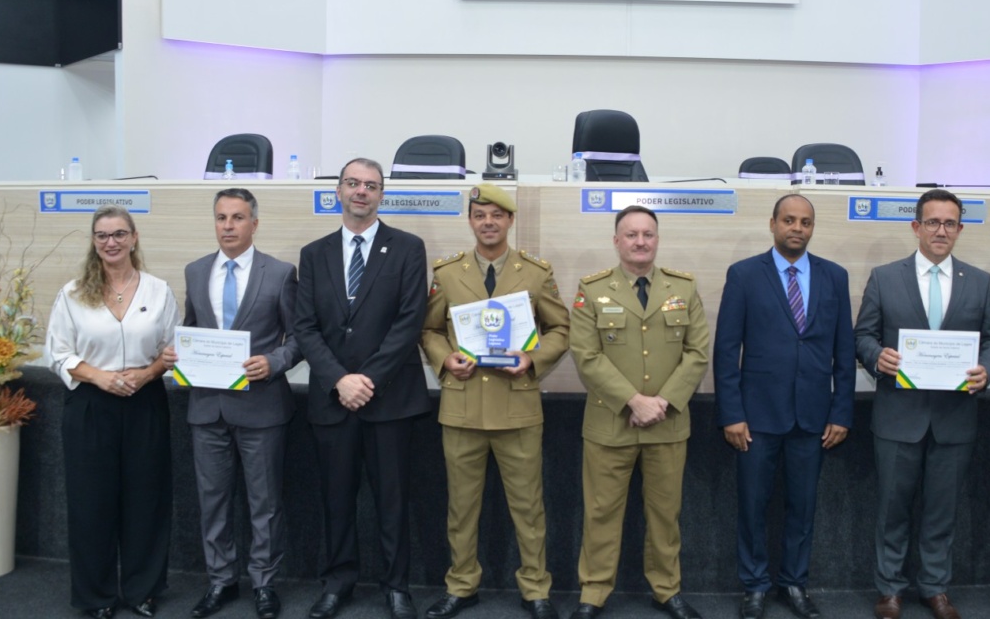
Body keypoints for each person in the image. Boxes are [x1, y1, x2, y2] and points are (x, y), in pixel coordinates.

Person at [420, 184, 570, 619]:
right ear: (470, 220)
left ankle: (535, 589)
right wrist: (445, 359)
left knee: (528, 506)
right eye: (480, 214)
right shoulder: (447, 273)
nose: (488, 222)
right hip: (463, 406)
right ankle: (462, 585)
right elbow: (429, 330)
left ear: (510, 221)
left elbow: (561, 330)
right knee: (461, 508)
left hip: (517, 406)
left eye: (497, 215)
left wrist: (532, 357)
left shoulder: (535, 273)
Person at [853, 189, 990, 619]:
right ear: (916, 227)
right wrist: (875, 355)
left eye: (950, 223)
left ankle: (935, 588)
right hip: (899, 416)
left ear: (960, 229)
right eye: (933, 222)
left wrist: (987, 370)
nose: (942, 230)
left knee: (942, 510)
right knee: (891, 509)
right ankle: (890, 590)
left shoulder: (979, 281)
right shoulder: (885, 277)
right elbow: (862, 335)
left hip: (954, 419)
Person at [295, 158, 432, 619]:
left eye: (371, 186)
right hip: (333, 401)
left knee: (393, 500)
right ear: (338, 190)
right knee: (336, 498)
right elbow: (305, 327)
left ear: (381, 195)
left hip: (389, 399)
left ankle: (397, 587)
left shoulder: (409, 248)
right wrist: (339, 380)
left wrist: (366, 380)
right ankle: (338, 583)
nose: (361, 192)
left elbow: (410, 321)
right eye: (353, 183)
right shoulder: (314, 254)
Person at [713, 193, 855, 619]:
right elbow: (726, 350)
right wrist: (732, 414)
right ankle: (755, 585)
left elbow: (843, 352)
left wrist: (841, 412)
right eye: (789, 220)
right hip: (756, 417)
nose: (797, 228)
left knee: (803, 505)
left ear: (813, 228)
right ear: (772, 223)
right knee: (753, 504)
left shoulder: (835, 276)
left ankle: (794, 583)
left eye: (805, 222)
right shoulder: (743, 275)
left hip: (813, 417)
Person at [162, 189, 301, 619]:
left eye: (237, 218)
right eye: (221, 217)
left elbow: (299, 338)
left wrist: (274, 361)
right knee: (213, 501)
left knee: (265, 503)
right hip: (207, 409)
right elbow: (190, 330)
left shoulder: (279, 273)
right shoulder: (196, 269)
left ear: (254, 224)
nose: (228, 226)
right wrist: (175, 354)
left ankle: (264, 583)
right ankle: (220, 581)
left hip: (261, 408)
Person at [567, 205, 710, 619]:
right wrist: (634, 400)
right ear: (616, 241)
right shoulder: (592, 289)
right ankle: (593, 592)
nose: (640, 241)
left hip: (667, 423)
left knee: (666, 514)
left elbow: (698, 353)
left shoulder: (683, 287)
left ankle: (667, 589)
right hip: (610, 423)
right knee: (600, 512)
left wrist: (660, 403)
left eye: (648, 234)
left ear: (657, 239)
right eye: (631, 235)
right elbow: (586, 355)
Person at [46, 205, 179, 619]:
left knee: (146, 500)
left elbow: (172, 352)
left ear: (134, 238)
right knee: (91, 503)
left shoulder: (159, 291)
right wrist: (100, 377)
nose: (111, 242)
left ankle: (142, 590)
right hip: (90, 405)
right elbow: (58, 353)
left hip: (146, 403)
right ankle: (96, 595)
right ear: (93, 241)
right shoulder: (71, 294)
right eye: (102, 235)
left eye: (119, 234)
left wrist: (147, 373)